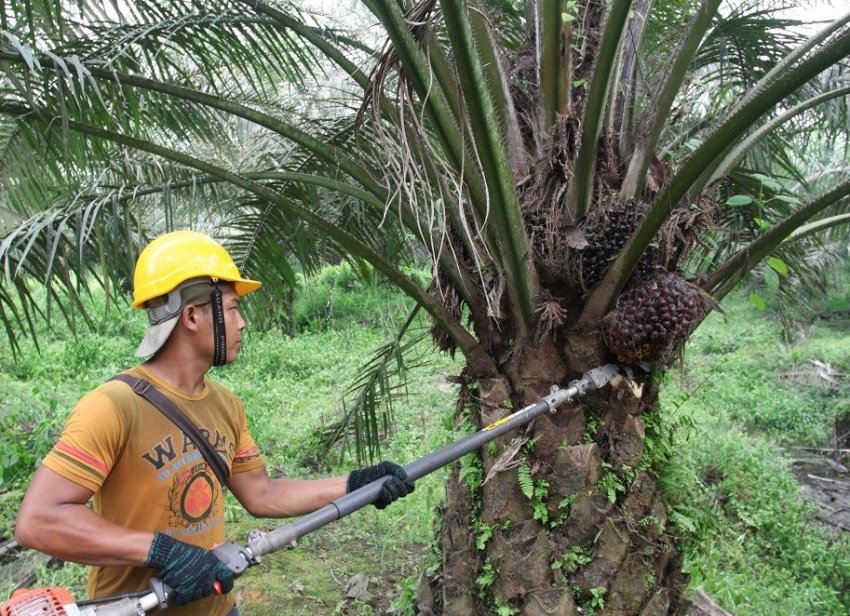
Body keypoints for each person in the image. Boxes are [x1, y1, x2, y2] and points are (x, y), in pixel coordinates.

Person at [14, 230, 414, 616]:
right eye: (234, 308)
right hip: (135, 608)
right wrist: (161, 552)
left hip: (219, 608)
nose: (242, 324)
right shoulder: (113, 407)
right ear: (191, 315)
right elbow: (39, 521)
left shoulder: (225, 405)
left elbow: (263, 494)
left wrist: (357, 484)